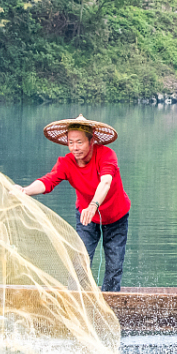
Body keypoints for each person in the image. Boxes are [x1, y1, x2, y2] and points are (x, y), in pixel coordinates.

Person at [22, 116, 130, 292]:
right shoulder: (66, 163)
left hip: (116, 216)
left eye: (79, 142)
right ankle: (76, 300)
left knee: (114, 264)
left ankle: (111, 303)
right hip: (86, 217)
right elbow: (47, 181)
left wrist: (94, 205)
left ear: (92, 140)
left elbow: (106, 182)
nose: (75, 147)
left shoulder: (106, 155)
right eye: (71, 142)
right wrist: (25, 191)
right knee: (80, 260)